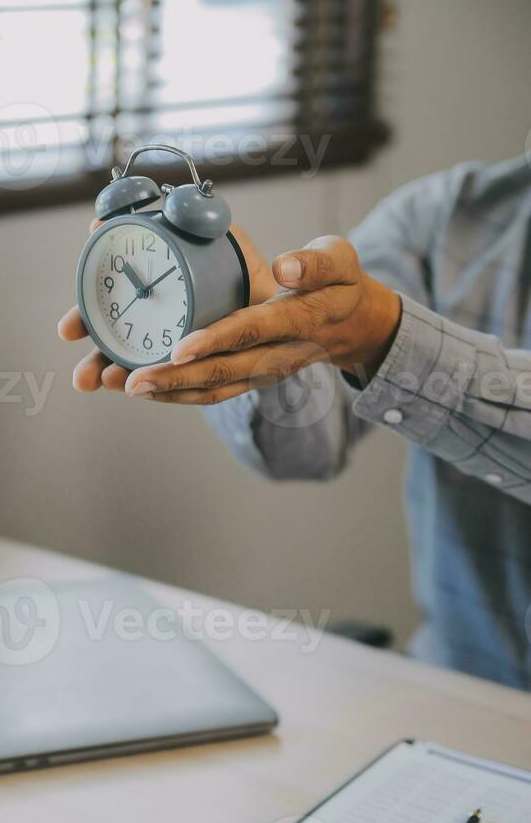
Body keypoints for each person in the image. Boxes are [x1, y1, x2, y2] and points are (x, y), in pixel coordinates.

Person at [59, 154, 531, 690]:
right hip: (459, 683)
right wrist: (259, 325)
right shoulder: (444, 215)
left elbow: (370, 331)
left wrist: (383, 338)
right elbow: (307, 451)